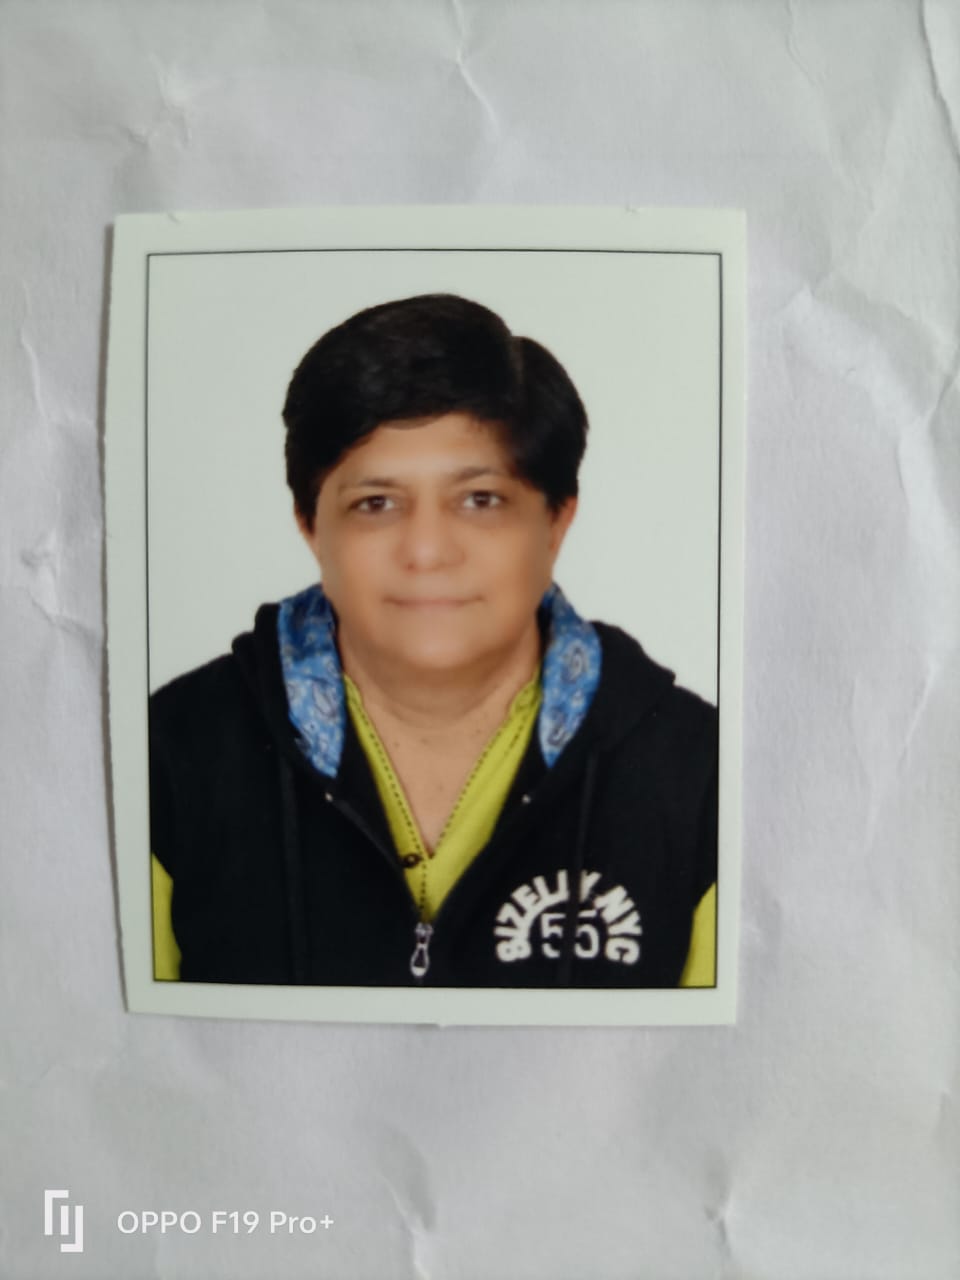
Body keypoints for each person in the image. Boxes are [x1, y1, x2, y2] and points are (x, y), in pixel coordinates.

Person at [149, 293, 718, 988]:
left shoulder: (701, 772)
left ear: (556, 521)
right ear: (309, 525)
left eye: (480, 500)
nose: (425, 551)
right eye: (376, 504)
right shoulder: (169, 754)